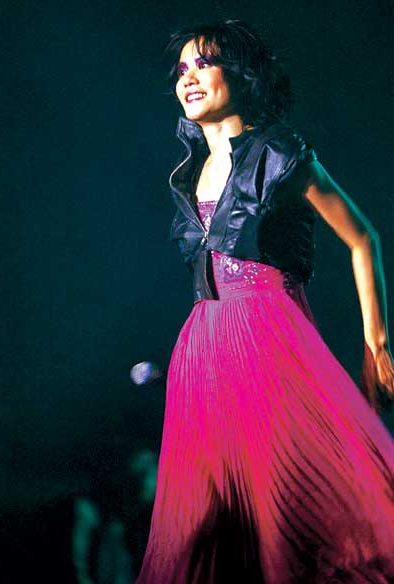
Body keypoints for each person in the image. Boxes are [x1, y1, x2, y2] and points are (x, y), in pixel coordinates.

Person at [136, 19, 394, 583]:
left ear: (241, 74)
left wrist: (377, 344)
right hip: (201, 351)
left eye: (204, 63)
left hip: (268, 340)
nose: (188, 78)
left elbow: (362, 238)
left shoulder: (280, 152)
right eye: (181, 70)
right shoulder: (188, 169)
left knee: (299, 512)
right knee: (199, 529)